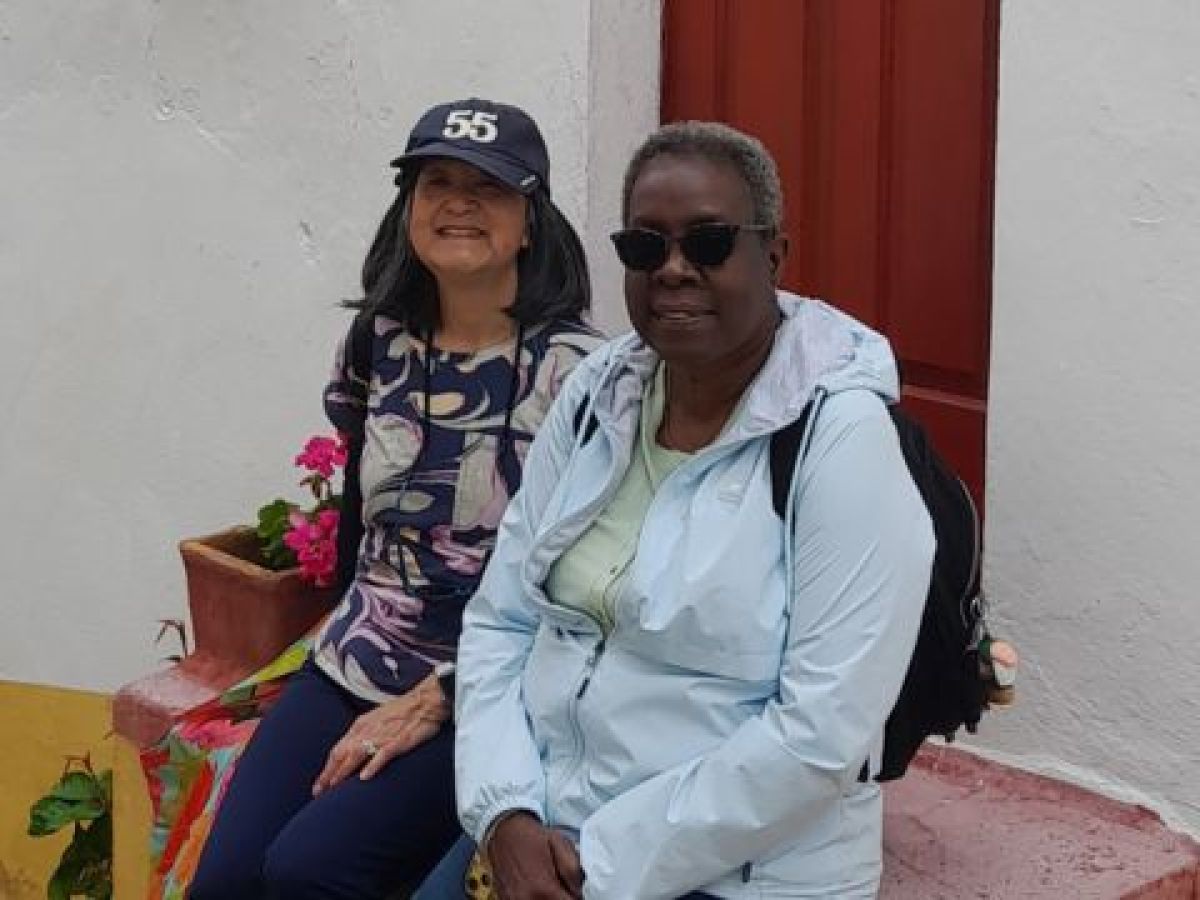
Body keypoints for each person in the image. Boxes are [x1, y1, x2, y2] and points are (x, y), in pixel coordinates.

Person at [416, 121, 936, 900]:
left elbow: (821, 734)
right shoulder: (598, 393)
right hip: (546, 826)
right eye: (644, 247)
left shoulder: (839, 439)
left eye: (711, 243)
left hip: (741, 871)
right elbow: (503, 619)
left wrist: (601, 859)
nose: (675, 270)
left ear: (775, 255)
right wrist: (505, 813)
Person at [187, 97, 603, 900]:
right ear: (407, 209)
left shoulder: (585, 375)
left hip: (489, 688)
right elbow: (354, 515)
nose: (458, 202)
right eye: (436, 181)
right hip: (355, 657)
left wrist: (441, 697)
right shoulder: (379, 341)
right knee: (226, 884)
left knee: (310, 872)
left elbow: (584, 587)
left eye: (488, 187)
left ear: (531, 220)